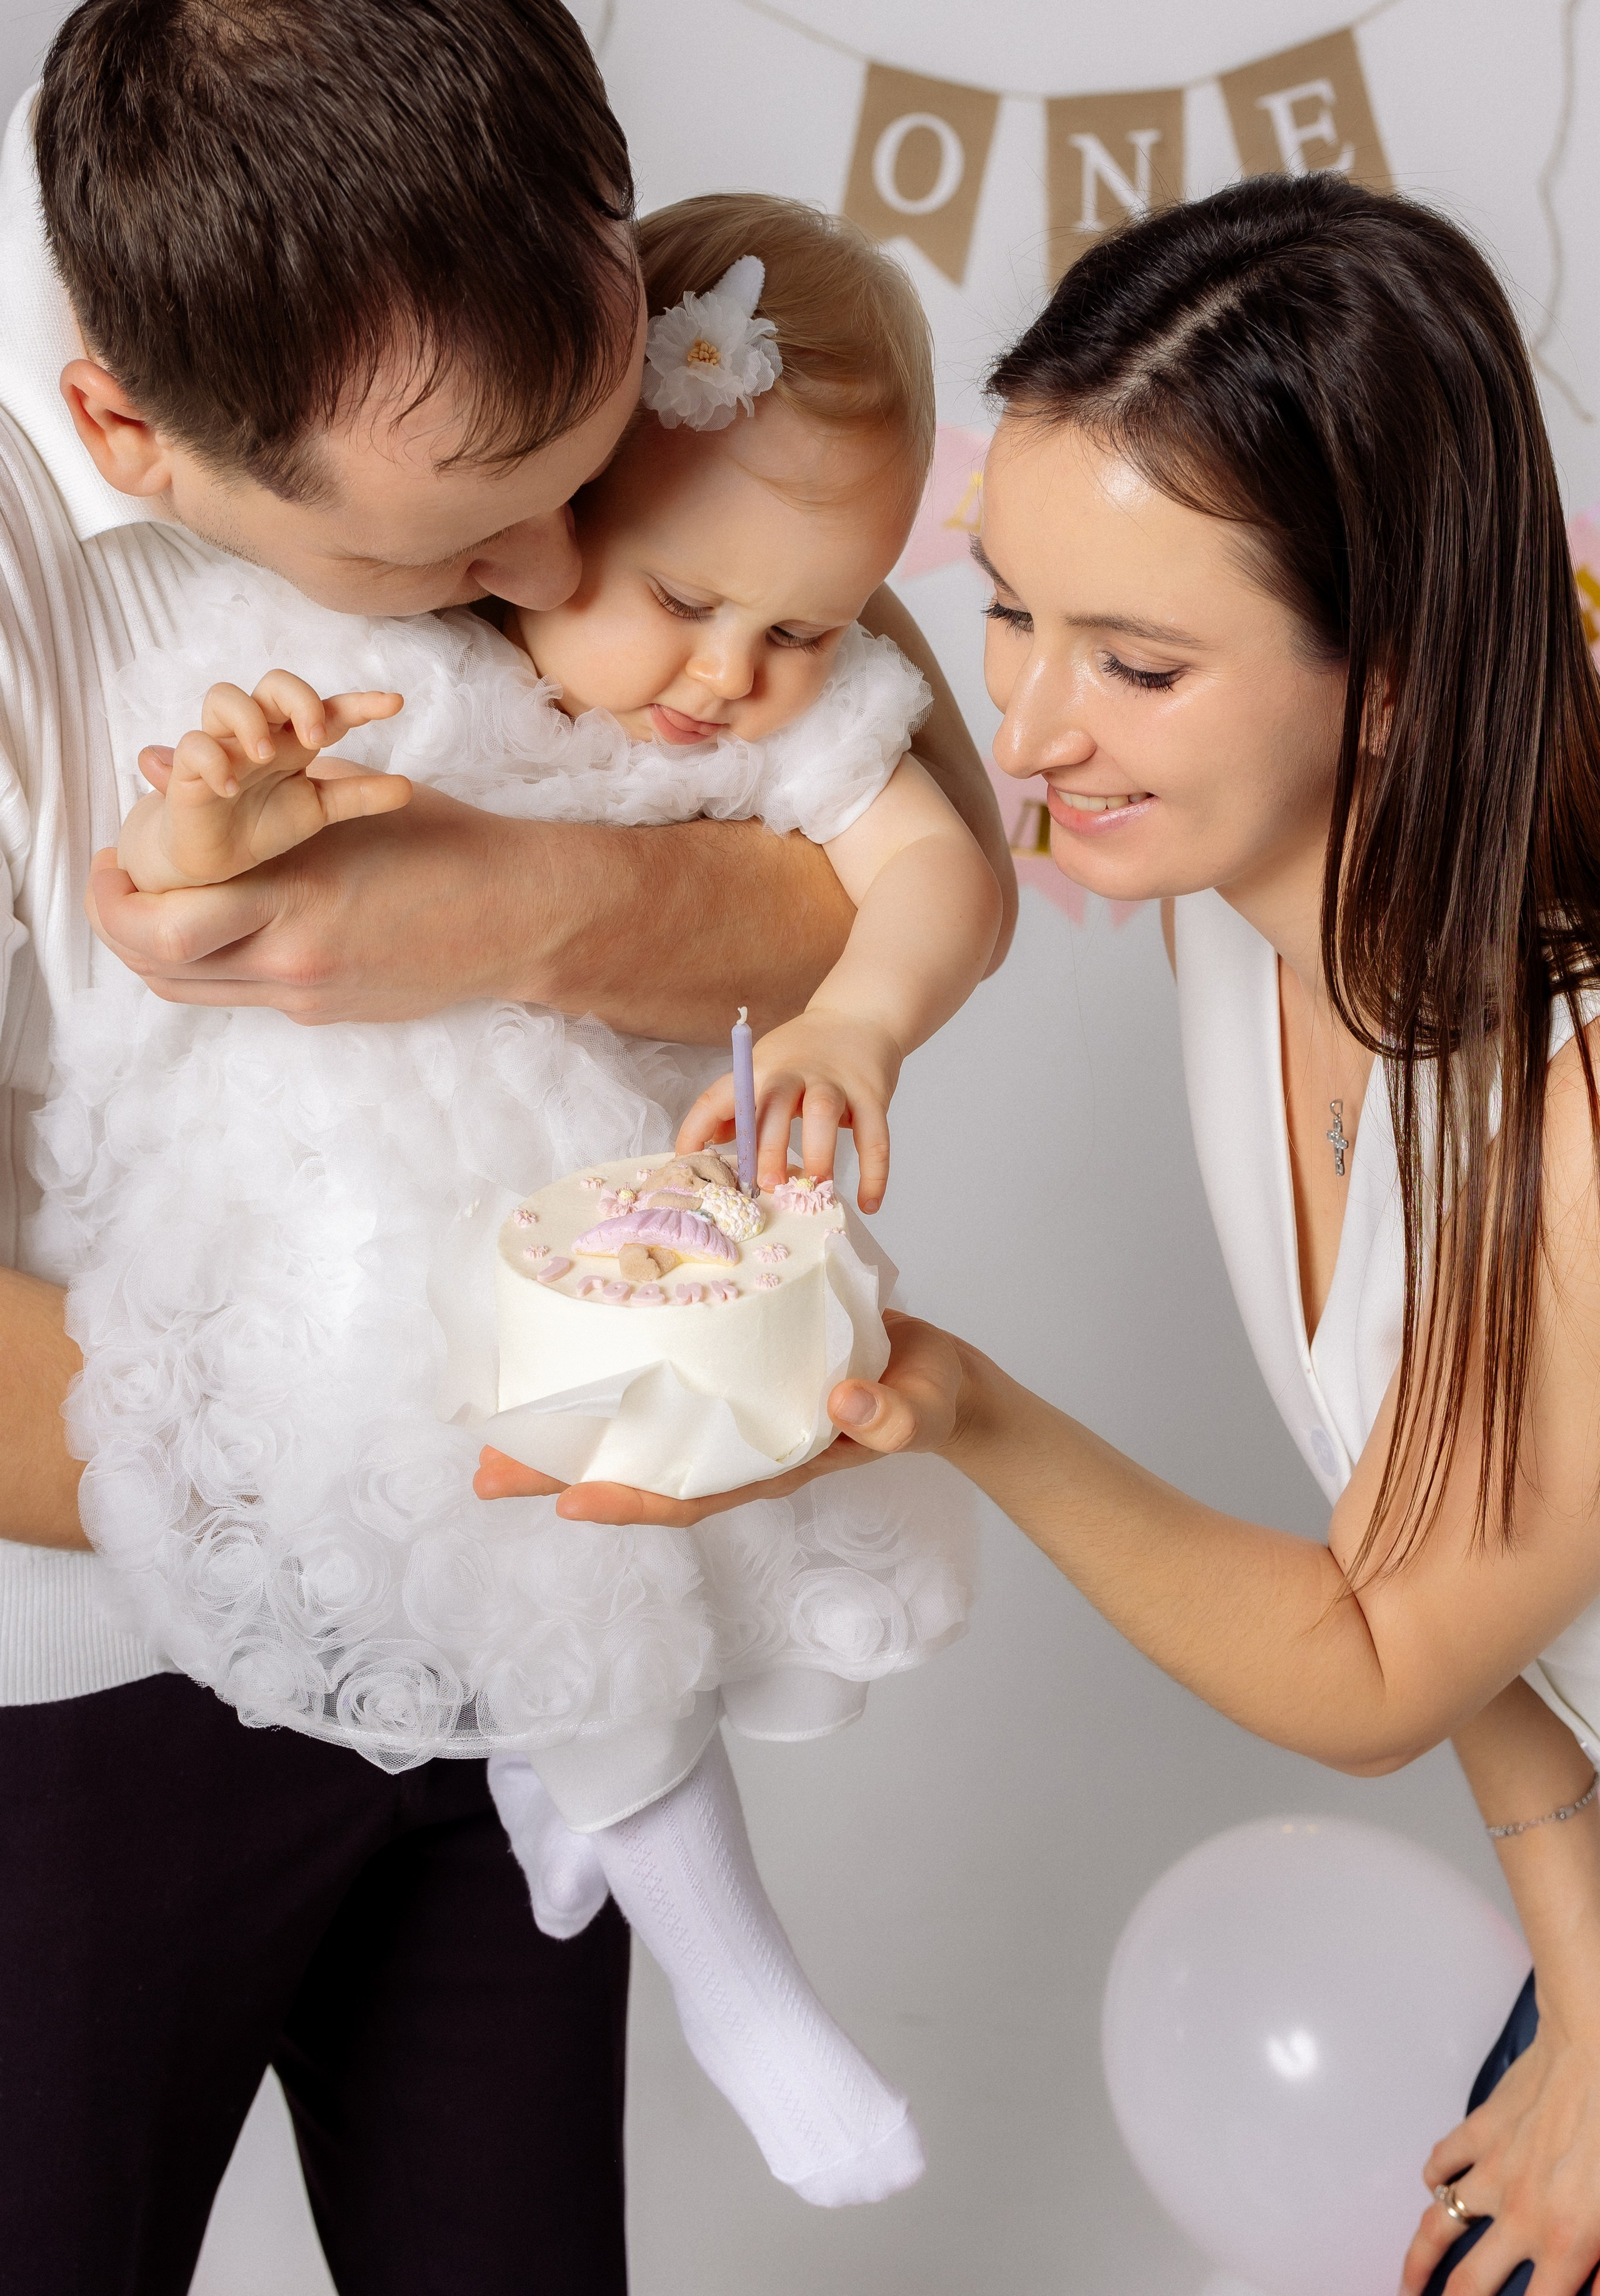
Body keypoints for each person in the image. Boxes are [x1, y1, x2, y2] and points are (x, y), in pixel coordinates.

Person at [0, 0, 1011, 2287]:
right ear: (137, 425)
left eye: (594, 459)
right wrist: (424, 1495)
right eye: (469, 536)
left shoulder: (477, 373)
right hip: (85, 1693)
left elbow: (861, 841)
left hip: (528, 1660)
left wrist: (527, 901)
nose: (569, 567)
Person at [512, 174, 1600, 2293]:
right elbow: (1459, 1567)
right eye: (1010, 608)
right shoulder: (1250, 925)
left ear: (1389, 676)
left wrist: (957, 1408)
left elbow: (1378, 1656)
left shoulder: (1563, 1109)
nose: (1023, 728)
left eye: (1142, 661)